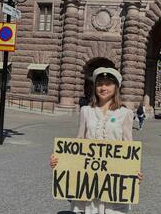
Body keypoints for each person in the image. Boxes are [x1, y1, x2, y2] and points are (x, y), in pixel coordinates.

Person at [50, 67, 143, 214]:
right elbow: (78, 141)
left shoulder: (125, 113)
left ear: (116, 87)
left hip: (113, 182)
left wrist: (133, 171)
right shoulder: (86, 111)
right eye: (100, 84)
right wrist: (61, 160)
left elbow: (128, 145)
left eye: (108, 84)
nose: (103, 87)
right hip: (88, 182)